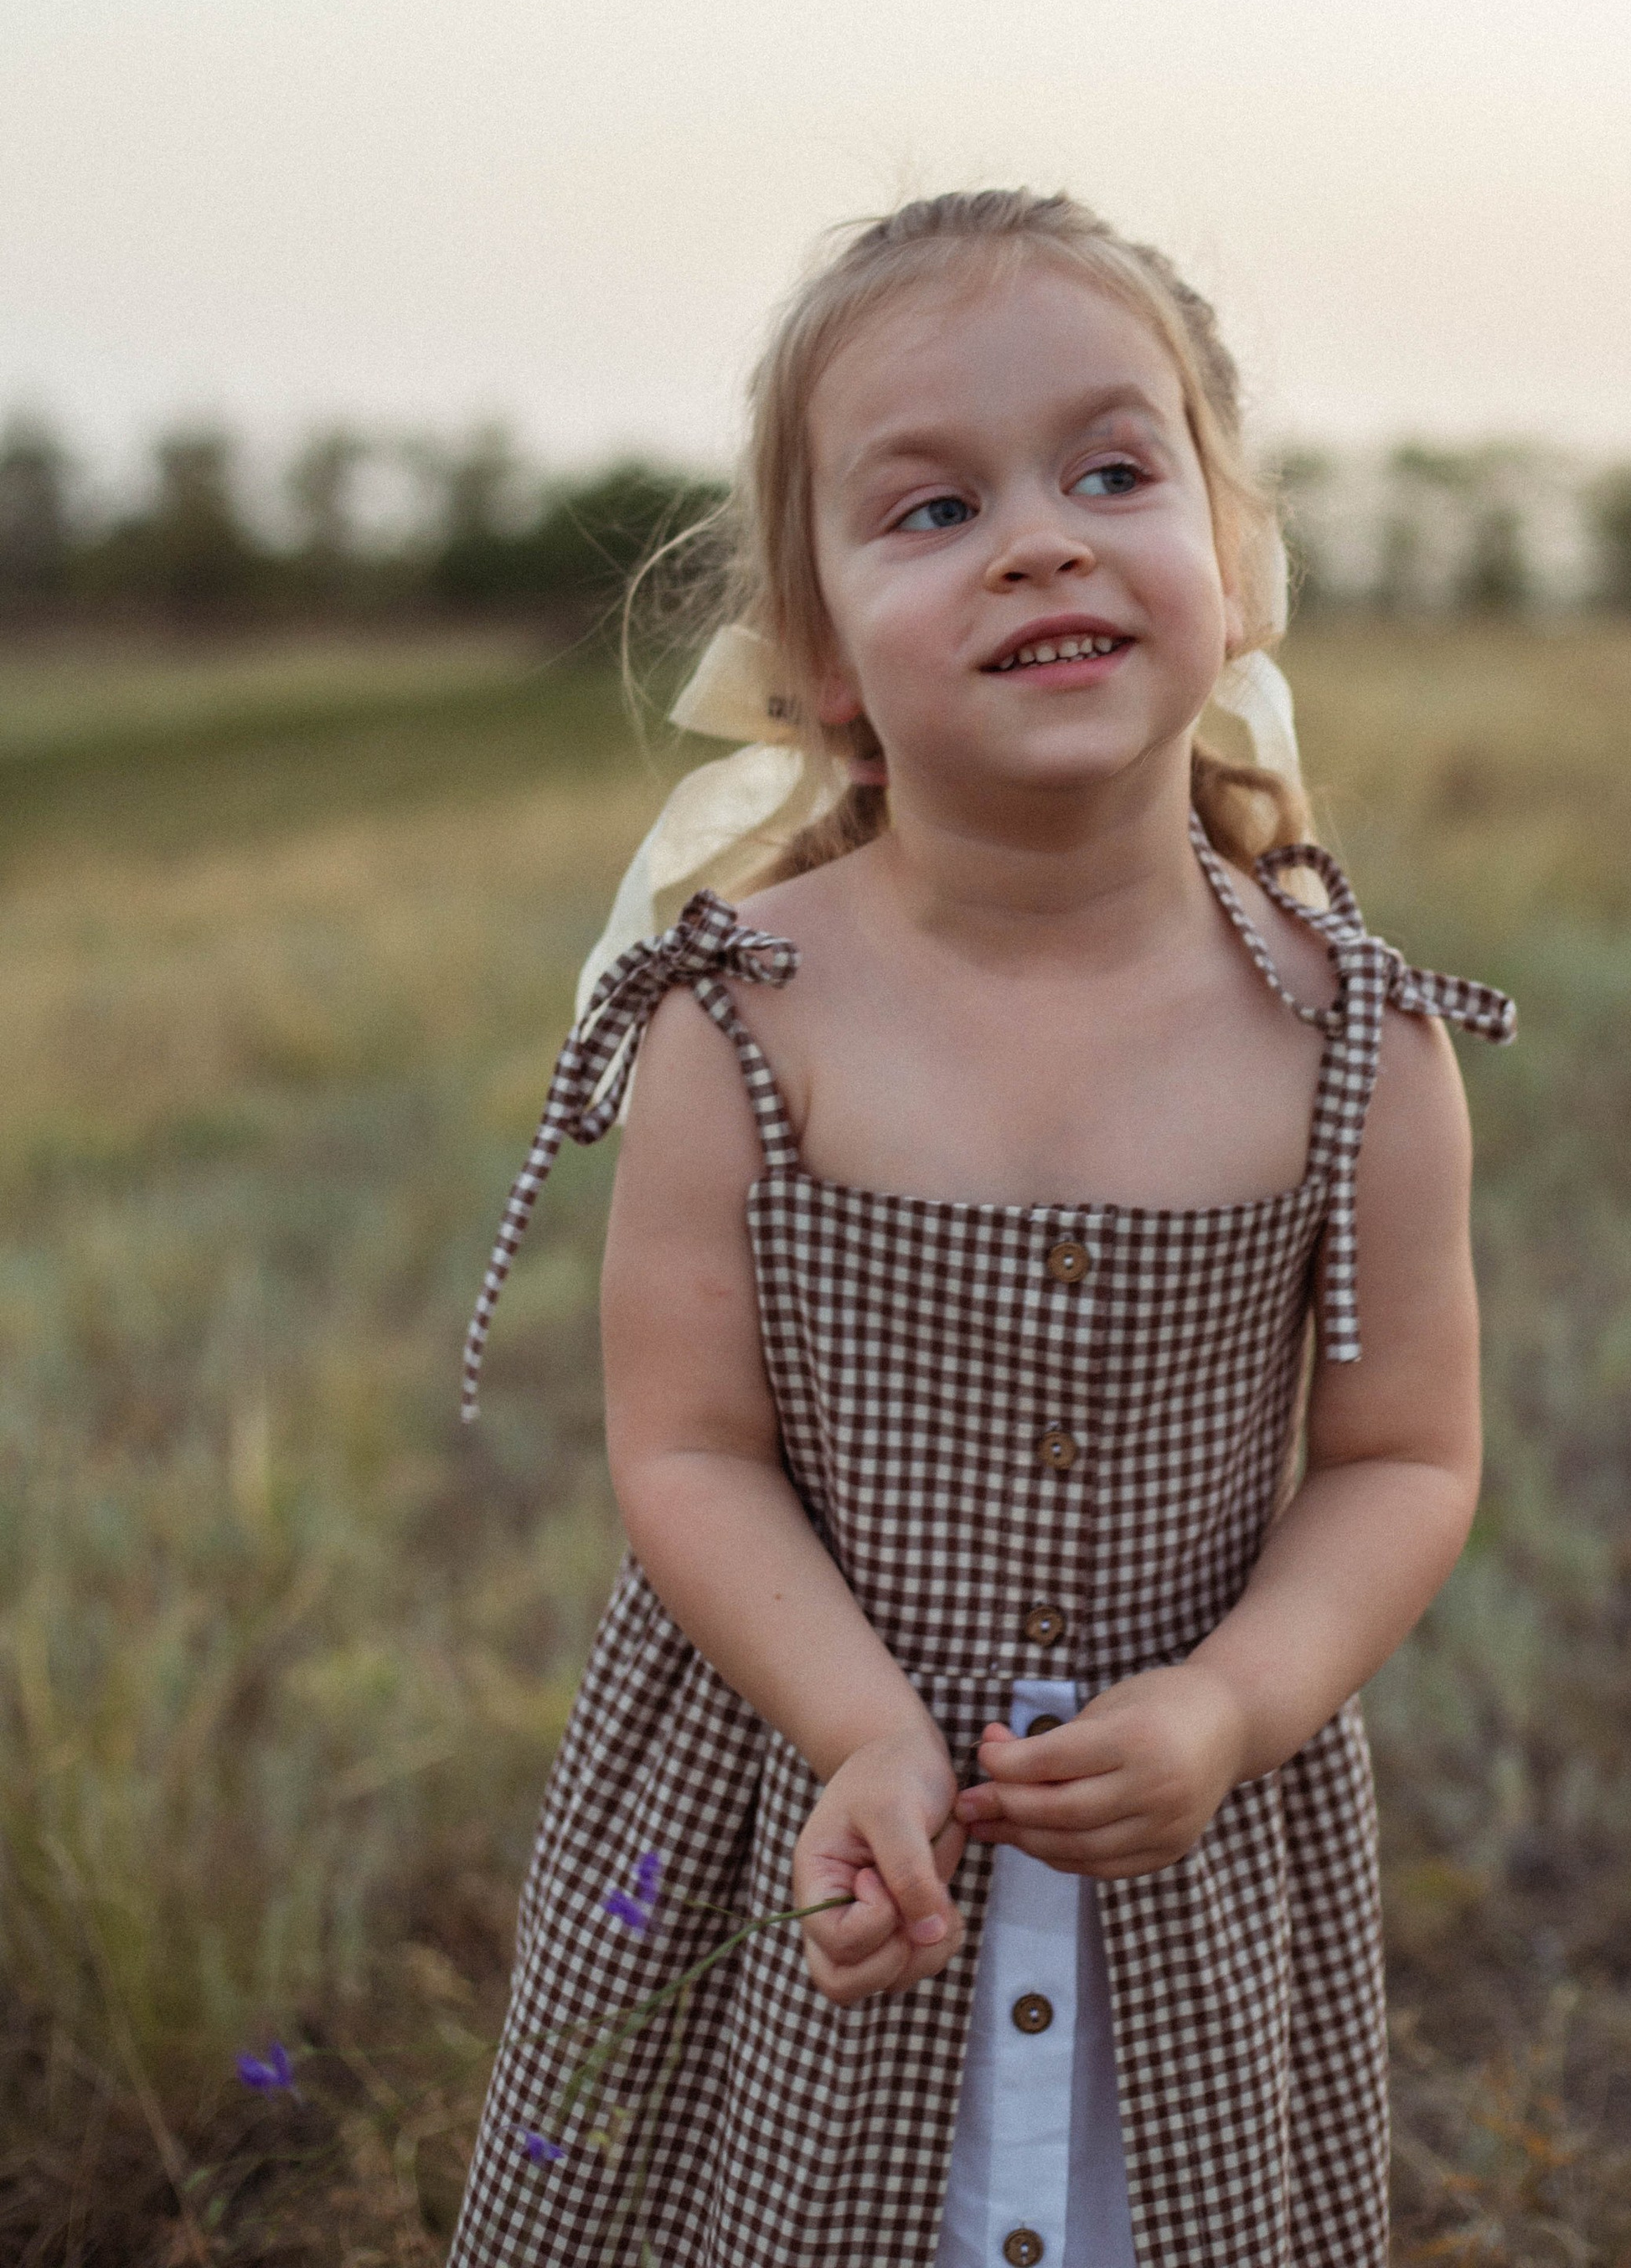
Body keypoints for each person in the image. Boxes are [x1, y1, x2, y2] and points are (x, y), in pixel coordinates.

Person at [449, 189, 1513, 2268]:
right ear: (819, 657)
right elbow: (688, 1446)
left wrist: (1229, 1706)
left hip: (1179, 1851)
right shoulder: (737, 1009)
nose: (1040, 536)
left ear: (1236, 564)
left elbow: (1401, 1464)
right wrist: (856, 1722)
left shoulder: (1354, 1038)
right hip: (805, 1809)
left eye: (1112, 473)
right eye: (930, 510)